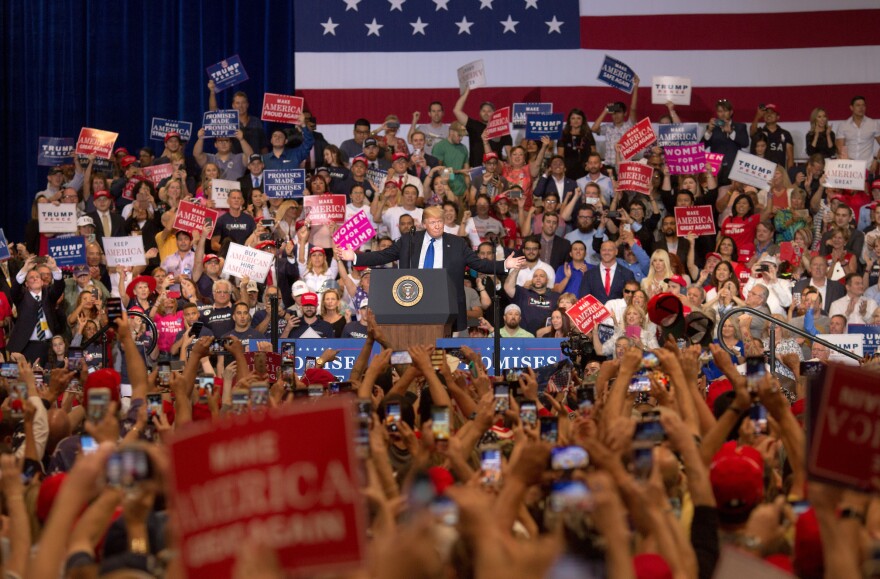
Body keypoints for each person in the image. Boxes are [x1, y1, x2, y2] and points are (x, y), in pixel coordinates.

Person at [335, 206, 525, 332]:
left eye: (440, 222)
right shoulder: (410, 241)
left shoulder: (456, 243)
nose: (437, 226)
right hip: (413, 301)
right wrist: (356, 256)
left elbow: (478, 263)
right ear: (424, 224)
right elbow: (384, 255)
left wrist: (503, 265)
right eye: (433, 222)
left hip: (445, 303)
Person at [9, 257, 65, 363]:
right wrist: (25, 269)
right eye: (31, 278)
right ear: (26, 284)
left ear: (42, 282)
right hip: (28, 347)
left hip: (49, 346)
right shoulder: (21, 297)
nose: (35, 279)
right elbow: (14, 290)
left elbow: (59, 287)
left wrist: (54, 268)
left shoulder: (49, 295)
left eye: (37, 277)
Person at [453, 88, 513, 168]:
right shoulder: (474, 125)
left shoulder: (502, 129)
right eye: (483, 111)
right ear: (479, 113)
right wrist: (466, 92)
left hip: (495, 170)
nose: (486, 113)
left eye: (489, 111)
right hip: (476, 169)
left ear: (494, 113)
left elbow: (509, 153)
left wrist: (511, 170)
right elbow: (456, 111)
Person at [590, 76, 640, 167]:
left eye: (619, 112)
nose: (616, 115)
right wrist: (605, 111)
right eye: (613, 113)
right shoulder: (608, 127)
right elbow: (594, 129)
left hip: (625, 166)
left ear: (625, 113)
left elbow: (633, 108)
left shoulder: (629, 125)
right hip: (609, 166)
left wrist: (636, 86)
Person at [701, 98, 750, 185]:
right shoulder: (712, 128)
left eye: (725, 111)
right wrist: (708, 131)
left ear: (731, 112)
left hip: (734, 169)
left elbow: (745, 143)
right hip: (716, 169)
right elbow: (701, 147)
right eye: (720, 111)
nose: (722, 114)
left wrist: (731, 132)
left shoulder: (740, 127)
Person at [835, 95, 880, 164]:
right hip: (849, 167)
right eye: (858, 105)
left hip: (867, 166)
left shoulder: (873, 124)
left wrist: (876, 160)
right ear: (851, 108)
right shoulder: (843, 125)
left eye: (863, 105)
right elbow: (840, 147)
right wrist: (846, 162)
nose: (861, 108)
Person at [748, 104, 794, 169]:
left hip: (778, 172)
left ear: (778, 117)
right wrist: (757, 117)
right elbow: (752, 133)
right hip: (761, 170)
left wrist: (790, 175)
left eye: (772, 112)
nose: (768, 114)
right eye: (766, 112)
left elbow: (790, 157)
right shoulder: (760, 132)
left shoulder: (785, 134)